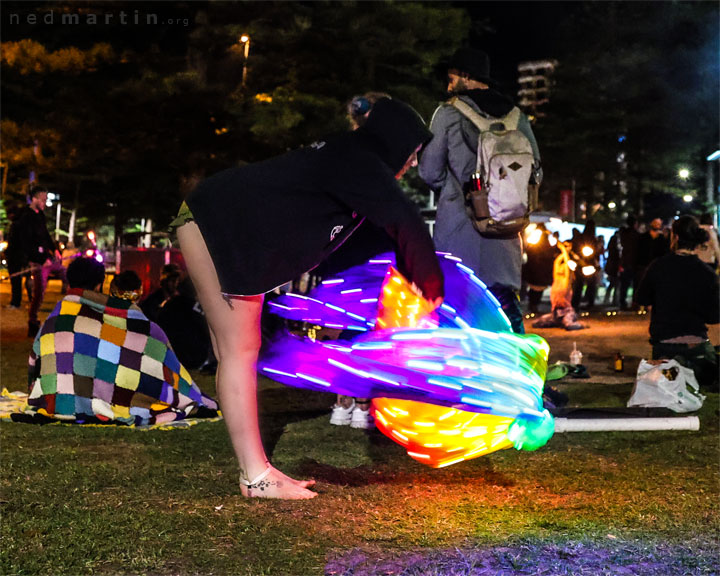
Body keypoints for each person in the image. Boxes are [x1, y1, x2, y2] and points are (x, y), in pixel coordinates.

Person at [174, 97, 444, 499]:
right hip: (218, 225)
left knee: (236, 351)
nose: (411, 164)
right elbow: (405, 220)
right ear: (395, 141)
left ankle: (256, 471)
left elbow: (378, 236)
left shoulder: (348, 161)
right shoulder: (360, 161)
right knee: (240, 349)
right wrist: (432, 290)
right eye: (413, 152)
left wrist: (406, 279)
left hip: (211, 218)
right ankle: (255, 477)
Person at [419, 47, 541, 334]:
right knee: (506, 321)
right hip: (506, 237)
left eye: (451, 79)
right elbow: (536, 173)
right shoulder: (517, 118)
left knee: (456, 325)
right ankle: (517, 374)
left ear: (465, 76)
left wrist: (456, 191)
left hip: (459, 236)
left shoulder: (448, 113)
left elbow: (429, 172)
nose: (449, 86)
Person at [20, 257, 218, 425]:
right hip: (109, 396)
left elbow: (34, 363)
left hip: (54, 398)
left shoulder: (55, 318)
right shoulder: (127, 319)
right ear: (99, 285)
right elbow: (155, 350)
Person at [635, 215, 719, 390]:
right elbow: (714, 316)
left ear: (675, 237)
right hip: (697, 349)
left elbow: (641, 298)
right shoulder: (707, 273)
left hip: (665, 347)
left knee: (667, 379)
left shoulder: (658, 267)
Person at [8, 186, 67, 337]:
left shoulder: (40, 214)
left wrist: (54, 250)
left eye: (46, 199)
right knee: (39, 292)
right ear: (34, 199)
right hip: (37, 261)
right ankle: (32, 322)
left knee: (66, 274)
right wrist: (41, 259)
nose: (44, 202)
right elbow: (26, 243)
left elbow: (45, 234)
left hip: (47, 257)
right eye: (42, 199)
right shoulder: (25, 218)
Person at [570, 219, 600, 310]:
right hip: (582, 263)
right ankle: (577, 304)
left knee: (586, 285)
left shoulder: (593, 239)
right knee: (581, 285)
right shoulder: (583, 238)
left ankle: (587, 303)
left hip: (588, 264)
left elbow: (596, 253)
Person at [636, 217, 669, 287]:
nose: (657, 225)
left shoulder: (662, 238)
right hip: (643, 265)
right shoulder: (644, 237)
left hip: (656, 266)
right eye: (655, 223)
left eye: (658, 224)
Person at [617, 214, 640, 310]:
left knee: (624, 285)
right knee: (635, 284)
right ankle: (634, 303)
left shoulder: (623, 234)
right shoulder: (636, 235)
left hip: (625, 262)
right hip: (634, 263)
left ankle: (623, 303)